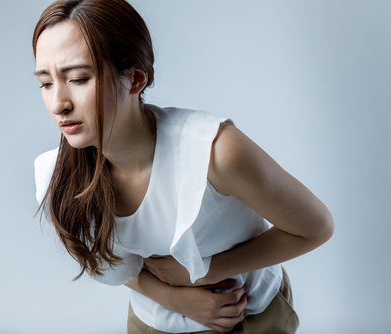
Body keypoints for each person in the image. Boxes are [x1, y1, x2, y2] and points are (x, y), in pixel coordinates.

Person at [32, 0, 334, 333]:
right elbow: (112, 264)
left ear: (134, 79)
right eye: (46, 83)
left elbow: (315, 227)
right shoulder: (57, 177)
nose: (58, 103)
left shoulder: (214, 151)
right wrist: (174, 298)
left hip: (249, 315)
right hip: (154, 320)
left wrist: (209, 269)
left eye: (78, 78)